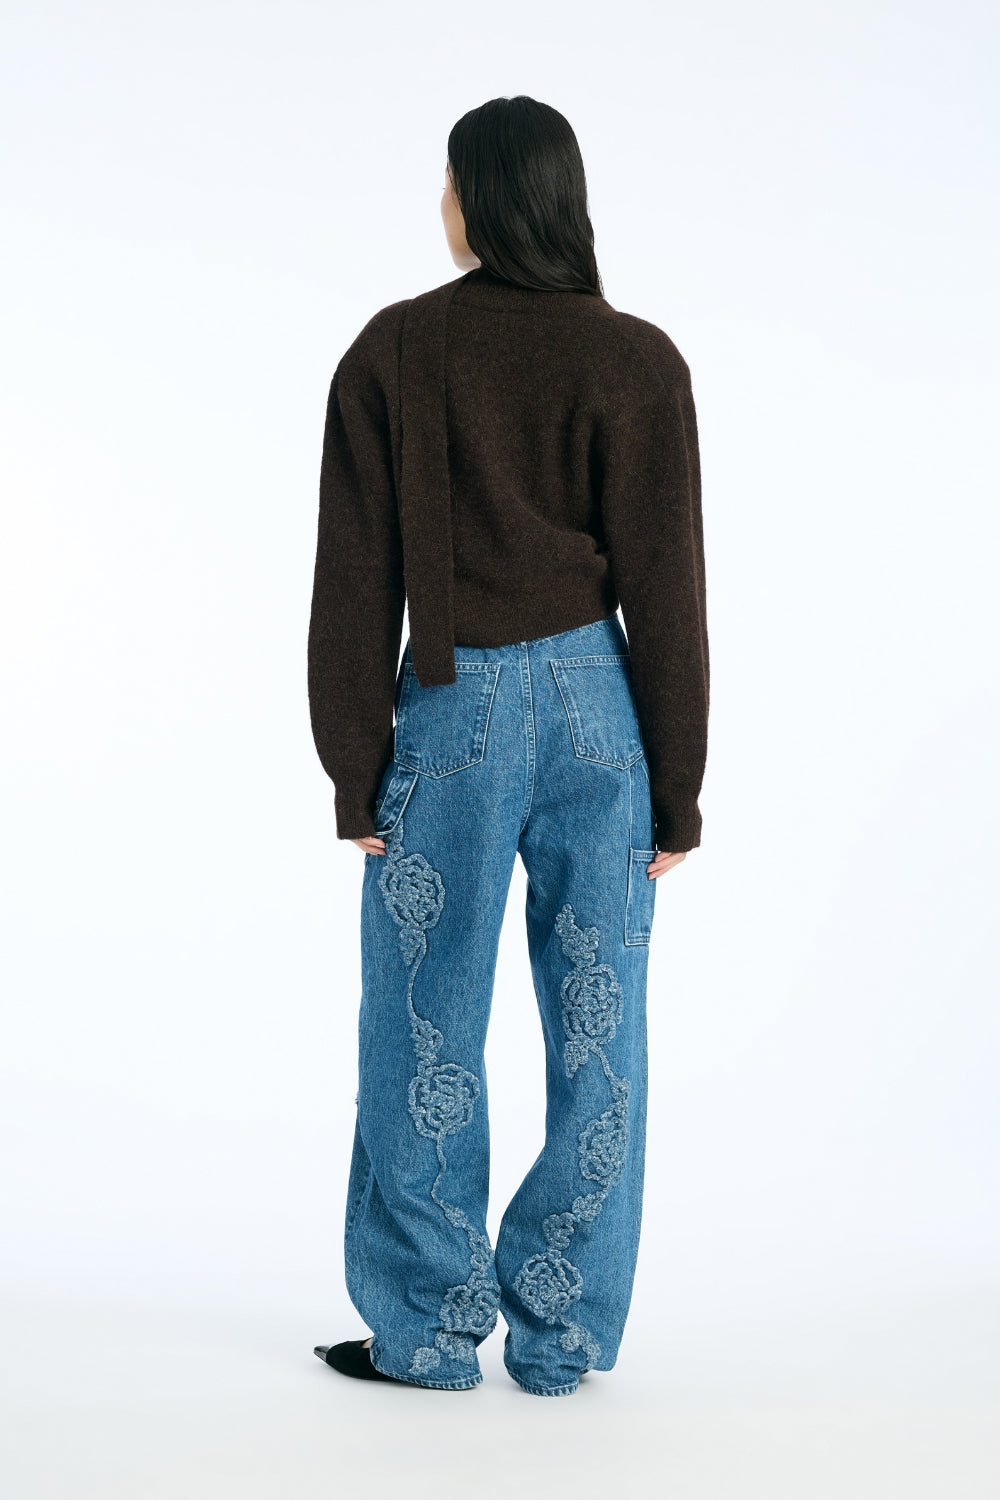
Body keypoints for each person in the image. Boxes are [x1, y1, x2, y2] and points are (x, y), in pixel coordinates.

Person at [307, 95, 709, 1397]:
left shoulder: (396, 349)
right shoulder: (637, 360)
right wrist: (679, 792)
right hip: (602, 709)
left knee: (425, 1017)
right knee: (602, 1025)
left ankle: (429, 1331)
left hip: (453, 712)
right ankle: (563, 1334)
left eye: (448, 181)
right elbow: (669, 587)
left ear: (479, 198)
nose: (440, 202)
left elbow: (355, 577)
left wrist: (351, 765)